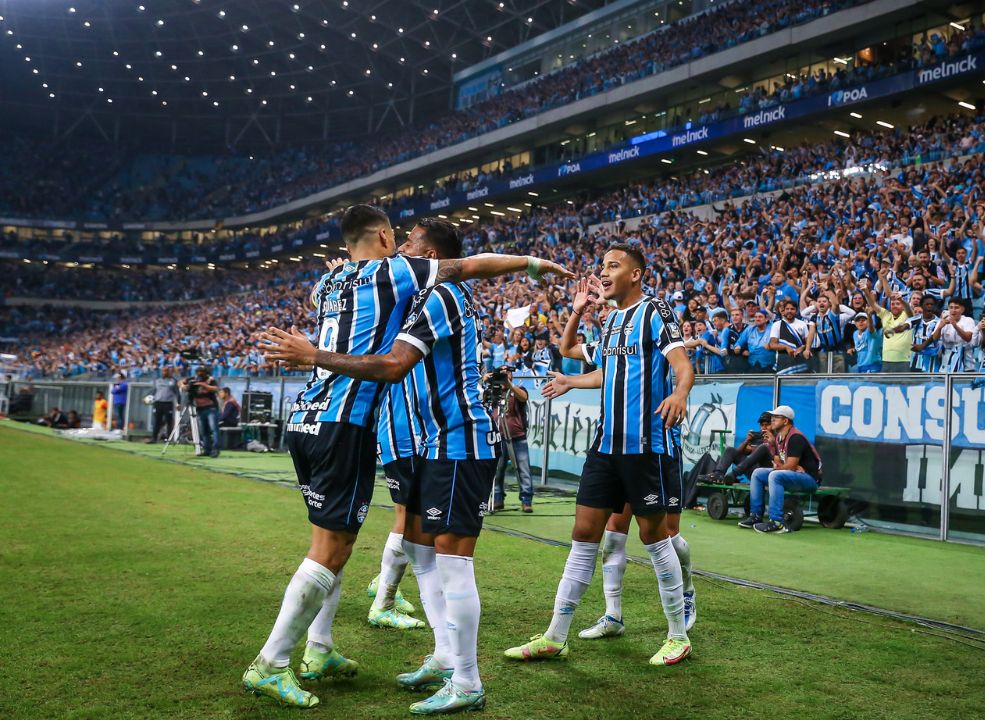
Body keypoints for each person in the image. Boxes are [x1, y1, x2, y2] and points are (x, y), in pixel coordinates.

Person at [249, 204, 571, 711]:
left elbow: (399, 361)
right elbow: (460, 269)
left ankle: (462, 680)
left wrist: (314, 353)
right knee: (392, 548)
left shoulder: (423, 295)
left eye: (411, 242)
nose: (401, 248)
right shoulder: (398, 281)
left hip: (448, 438)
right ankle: (435, 657)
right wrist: (529, 263)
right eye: (397, 239)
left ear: (430, 254)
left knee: (439, 554)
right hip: (393, 435)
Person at [506, 245, 695, 667]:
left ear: (636, 274)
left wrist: (680, 392)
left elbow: (682, 363)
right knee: (584, 535)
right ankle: (556, 635)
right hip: (605, 446)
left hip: (645, 446)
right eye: (603, 266)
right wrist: (576, 315)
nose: (604, 272)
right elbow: (575, 352)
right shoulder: (609, 324)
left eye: (613, 266)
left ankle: (677, 635)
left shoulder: (655, 311)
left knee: (654, 537)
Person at [737, 405, 822, 534]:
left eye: (776, 417)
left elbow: (789, 466)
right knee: (757, 473)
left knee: (775, 476)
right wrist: (784, 466)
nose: (772, 420)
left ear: (785, 421)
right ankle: (755, 516)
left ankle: (777, 523)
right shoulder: (778, 438)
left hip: (810, 479)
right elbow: (778, 462)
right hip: (794, 475)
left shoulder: (795, 437)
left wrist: (784, 467)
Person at [489, 363, 535, 513]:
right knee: (497, 470)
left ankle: (526, 500)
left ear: (511, 375)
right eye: (502, 372)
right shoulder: (493, 391)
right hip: (497, 437)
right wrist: (486, 382)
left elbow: (524, 397)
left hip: (517, 436)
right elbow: (482, 400)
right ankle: (497, 499)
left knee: (523, 469)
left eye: (507, 372)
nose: (505, 375)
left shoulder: (518, 389)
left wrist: (509, 385)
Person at [706, 412, 776, 483]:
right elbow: (738, 452)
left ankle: (733, 474)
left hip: (766, 470)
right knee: (730, 450)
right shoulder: (757, 436)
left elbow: (779, 456)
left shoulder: (776, 437)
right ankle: (718, 474)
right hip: (751, 468)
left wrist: (772, 442)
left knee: (763, 448)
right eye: (762, 425)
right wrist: (746, 441)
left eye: (767, 425)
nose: (764, 427)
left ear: (773, 425)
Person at [182, 368, 220, 457]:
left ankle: (215, 449)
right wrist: (183, 386)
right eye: (198, 373)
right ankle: (207, 449)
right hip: (199, 408)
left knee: (214, 429)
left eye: (201, 373)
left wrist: (203, 385)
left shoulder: (210, 380)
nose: (199, 375)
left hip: (211, 408)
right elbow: (181, 382)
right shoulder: (193, 379)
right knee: (204, 431)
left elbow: (216, 389)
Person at [149, 368, 179, 443]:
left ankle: (169, 439)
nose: (164, 372)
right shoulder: (157, 380)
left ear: (169, 372)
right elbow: (154, 391)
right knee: (157, 421)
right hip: (158, 403)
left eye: (166, 371)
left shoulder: (173, 381)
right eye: (163, 371)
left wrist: (178, 403)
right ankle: (154, 438)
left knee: (169, 421)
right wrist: (148, 397)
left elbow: (177, 393)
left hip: (168, 403)